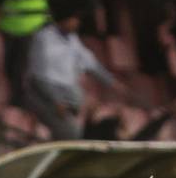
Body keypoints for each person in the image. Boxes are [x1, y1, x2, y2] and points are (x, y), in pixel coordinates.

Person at [23, 8, 115, 140]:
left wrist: (110, 81)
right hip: (43, 97)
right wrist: (57, 101)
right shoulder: (44, 39)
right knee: (71, 131)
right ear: (63, 20)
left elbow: (90, 62)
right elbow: (40, 77)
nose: (76, 23)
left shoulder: (72, 39)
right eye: (73, 20)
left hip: (65, 101)